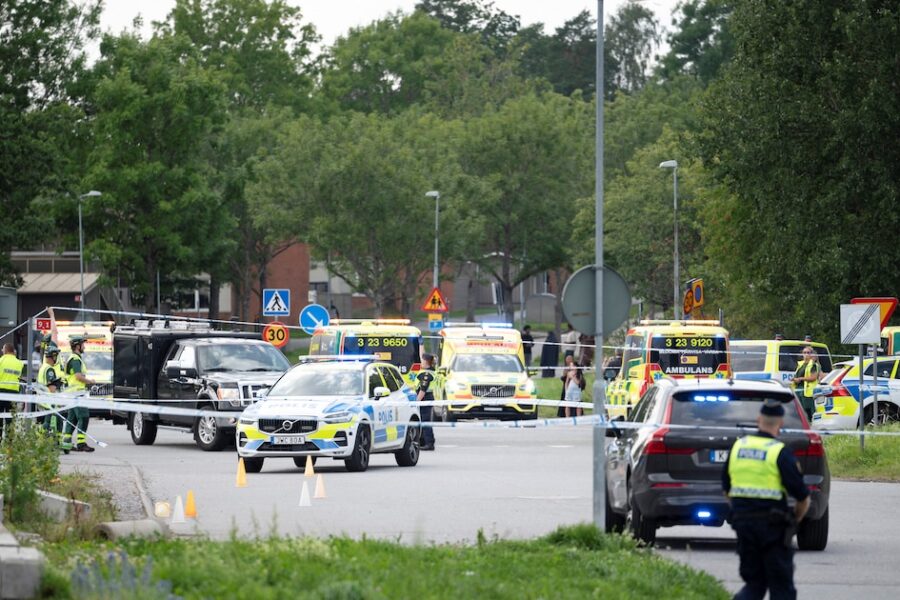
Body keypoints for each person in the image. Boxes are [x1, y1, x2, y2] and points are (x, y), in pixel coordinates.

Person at [723, 399, 810, 600]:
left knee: (754, 585)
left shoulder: (738, 447)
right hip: (773, 529)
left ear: (758, 420)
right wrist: (795, 521)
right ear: (780, 423)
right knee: (782, 588)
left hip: (743, 525)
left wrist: (741, 511)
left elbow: (726, 490)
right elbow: (803, 498)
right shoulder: (779, 452)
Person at [63, 334, 97, 452]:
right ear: (77, 346)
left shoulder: (73, 358)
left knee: (72, 418)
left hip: (73, 393)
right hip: (77, 394)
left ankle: (66, 442)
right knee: (84, 416)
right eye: (83, 344)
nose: (84, 347)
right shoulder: (76, 360)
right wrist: (90, 382)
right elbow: (78, 376)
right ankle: (81, 443)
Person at [37, 343, 70, 452]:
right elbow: (51, 388)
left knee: (48, 421)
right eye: (56, 356)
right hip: (49, 400)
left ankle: (42, 440)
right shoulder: (49, 370)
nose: (57, 359)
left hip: (43, 399)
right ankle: (52, 441)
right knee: (54, 421)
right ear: (52, 357)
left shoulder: (43, 367)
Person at [0, 343, 25, 436]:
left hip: (1, 392)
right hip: (13, 393)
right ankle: (9, 444)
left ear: (6, 350)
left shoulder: (1, 361)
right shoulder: (19, 363)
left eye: (2, 349)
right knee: (10, 419)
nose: (2, 351)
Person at [791, 346, 819, 422]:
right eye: (804, 352)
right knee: (800, 411)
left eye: (808, 352)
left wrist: (800, 379)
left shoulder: (812, 365)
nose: (806, 354)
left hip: (807, 391)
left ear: (811, 354)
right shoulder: (800, 364)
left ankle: (810, 425)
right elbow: (798, 375)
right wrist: (794, 379)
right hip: (798, 390)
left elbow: (813, 377)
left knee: (808, 411)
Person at [416, 353, 437, 451]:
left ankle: (429, 443)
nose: (421, 362)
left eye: (422, 360)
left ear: (426, 362)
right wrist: (421, 343)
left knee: (425, 421)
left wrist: (416, 402)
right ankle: (424, 441)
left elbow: (423, 390)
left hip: (425, 399)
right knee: (423, 421)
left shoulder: (426, 374)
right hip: (427, 399)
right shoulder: (430, 371)